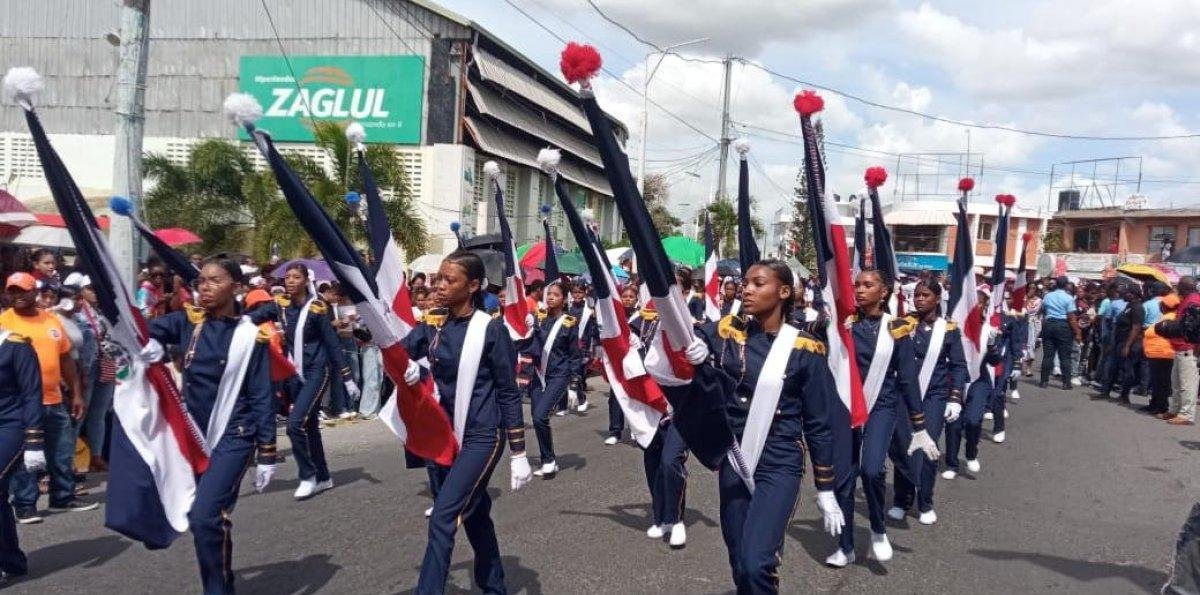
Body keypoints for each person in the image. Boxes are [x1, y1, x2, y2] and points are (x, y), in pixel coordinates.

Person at [685, 259, 842, 587]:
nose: (747, 289)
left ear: (784, 292)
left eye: (759, 283)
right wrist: (693, 347)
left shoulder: (805, 349)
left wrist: (826, 487)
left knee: (757, 562)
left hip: (779, 459)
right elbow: (687, 337)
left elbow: (819, 424)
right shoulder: (729, 330)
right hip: (736, 456)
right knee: (739, 559)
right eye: (746, 282)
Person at [400, 251, 531, 593]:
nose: (439, 286)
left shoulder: (491, 330)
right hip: (448, 435)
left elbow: (507, 391)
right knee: (475, 515)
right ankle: (494, 587)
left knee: (443, 518)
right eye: (438, 278)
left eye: (449, 280)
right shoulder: (433, 323)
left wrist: (518, 451)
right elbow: (398, 350)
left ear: (473, 285)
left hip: (482, 436)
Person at [143, 258, 277, 594]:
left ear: (236, 286)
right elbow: (141, 330)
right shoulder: (189, 322)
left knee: (204, 516)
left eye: (215, 280)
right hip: (195, 435)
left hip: (234, 435)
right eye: (201, 281)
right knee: (207, 517)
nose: (205, 287)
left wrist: (268, 452)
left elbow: (261, 395)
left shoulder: (251, 337)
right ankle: (223, 579)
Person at [830, 269, 938, 565]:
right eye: (857, 285)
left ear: (884, 292)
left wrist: (919, 425)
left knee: (873, 469)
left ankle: (878, 528)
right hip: (847, 406)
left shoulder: (897, 328)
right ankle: (846, 545)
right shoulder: (846, 325)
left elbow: (907, 377)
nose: (860, 290)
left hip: (881, 406)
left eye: (868, 285)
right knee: (845, 476)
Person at [0, 273, 95, 522]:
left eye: (22, 290)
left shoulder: (51, 320)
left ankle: (62, 496)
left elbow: (66, 358)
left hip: (53, 398)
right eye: (13, 291)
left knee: (62, 451)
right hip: (21, 404)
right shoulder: (4, 322)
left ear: (35, 293)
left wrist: (76, 394)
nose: (17, 295)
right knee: (26, 456)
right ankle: (25, 504)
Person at [886, 279, 966, 526]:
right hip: (905, 395)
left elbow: (958, 366)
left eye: (925, 295)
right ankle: (902, 499)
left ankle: (925, 501)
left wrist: (955, 397)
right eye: (917, 295)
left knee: (927, 447)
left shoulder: (948, 329)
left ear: (937, 298)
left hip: (934, 395)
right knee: (904, 445)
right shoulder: (902, 325)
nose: (919, 299)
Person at [277, 265, 359, 500]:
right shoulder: (282, 306)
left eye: (296, 277)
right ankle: (323, 477)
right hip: (295, 373)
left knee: (294, 424)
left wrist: (347, 377)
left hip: (316, 371)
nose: (290, 281)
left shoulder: (317, 308)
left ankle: (307, 475)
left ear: (305, 281)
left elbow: (332, 343)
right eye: (288, 277)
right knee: (310, 426)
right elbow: (254, 315)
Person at [0, 318, 45, 582]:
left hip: (11, 425)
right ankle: (11, 560)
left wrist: (34, 441)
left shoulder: (17, 346)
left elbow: (31, 394)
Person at [528, 282, 579, 478]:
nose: (550, 297)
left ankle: (548, 460)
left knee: (541, 415)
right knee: (536, 418)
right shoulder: (538, 319)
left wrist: (574, 384)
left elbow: (575, 355)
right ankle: (547, 459)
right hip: (539, 374)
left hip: (559, 374)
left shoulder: (568, 322)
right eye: (549, 294)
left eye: (556, 295)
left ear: (564, 299)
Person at [603, 285, 638, 445]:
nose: (628, 299)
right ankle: (615, 430)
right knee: (616, 396)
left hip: (635, 361)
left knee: (636, 396)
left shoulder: (640, 316)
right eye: (624, 296)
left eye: (631, 297)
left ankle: (637, 429)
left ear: (636, 299)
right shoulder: (615, 317)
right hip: (618, 361)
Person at [1165, 277, 1200, 425]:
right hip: (1180, 347)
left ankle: (1186, 415)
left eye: (1178, 286)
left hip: (1189, 348)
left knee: (1187, 384)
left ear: (1183, 287)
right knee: (1177, 383)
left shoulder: (1194, 302)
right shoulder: (1187, 300)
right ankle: (1175, 410)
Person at [1039, 277, 1078, 390]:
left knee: (1048, 355)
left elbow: (1043, 310)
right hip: (1063, 326)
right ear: (1066, 285)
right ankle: (1066, 383)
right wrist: (1077, 332)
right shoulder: (1068, 298)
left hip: (1049, 324)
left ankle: (1044, 381)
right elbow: (1071, 317)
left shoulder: (1048, 296)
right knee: (1065, 356)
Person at [1142, 292, 1177, 416]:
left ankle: (1161, 406)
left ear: (1166, 306)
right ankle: (1155, 403)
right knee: (1156, 381)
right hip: (1157, 354)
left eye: (1162, 305)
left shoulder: (1171, 317)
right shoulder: (1167, 316)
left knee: (1161, 382)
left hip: (1164, 354)